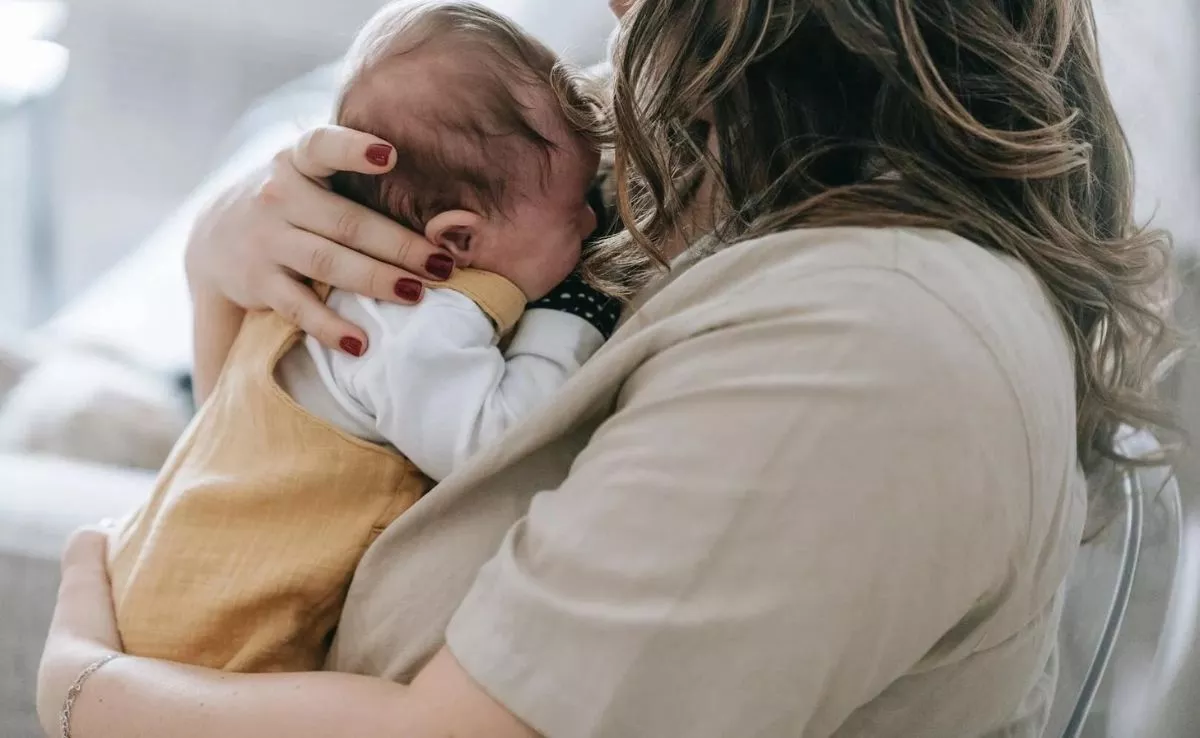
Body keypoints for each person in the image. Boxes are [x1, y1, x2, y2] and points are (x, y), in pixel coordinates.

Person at [38, 0, 1178, 735]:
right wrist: (224, 272)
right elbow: (307, 461)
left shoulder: (869, 339)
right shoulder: (718, 206)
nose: (615, 31)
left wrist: (91, 690)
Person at [104, 0, 619, 673]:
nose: (590, 220)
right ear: (457, 238)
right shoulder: (414, 319)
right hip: (215, 628)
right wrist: (571, 314)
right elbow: (496, 441)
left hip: (175, 569)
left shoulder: (364, 276)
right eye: (573, 210)